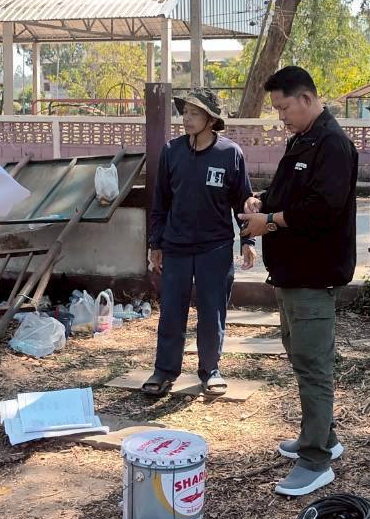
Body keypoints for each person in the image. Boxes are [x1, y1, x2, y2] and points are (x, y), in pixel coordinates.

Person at [239, 66, 358, 497]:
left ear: (306, 98)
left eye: (284, 107)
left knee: (313, 365)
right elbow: (290, 196)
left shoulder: (333, 145)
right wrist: (263, 202)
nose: (280, 116)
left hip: (314, 274)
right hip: (291, 274)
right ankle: (324, 436)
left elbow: (320, 210)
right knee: (302, 356)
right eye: (277, 109)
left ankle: (315, 461)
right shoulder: (303, 140)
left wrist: (267, 221)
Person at [145, 89, 257, 397]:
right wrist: (156, 243)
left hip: (215, 247)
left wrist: (247, 241)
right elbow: (160, 202)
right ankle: (164, 370)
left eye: (194, 113)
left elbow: (243, 202)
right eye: (185, 113)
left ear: (211, 119)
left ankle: (211, 370)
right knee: (171, 311)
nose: (187, 118)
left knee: (212, 312)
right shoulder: (171, 151)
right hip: (176, 246)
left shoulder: (230, 153)